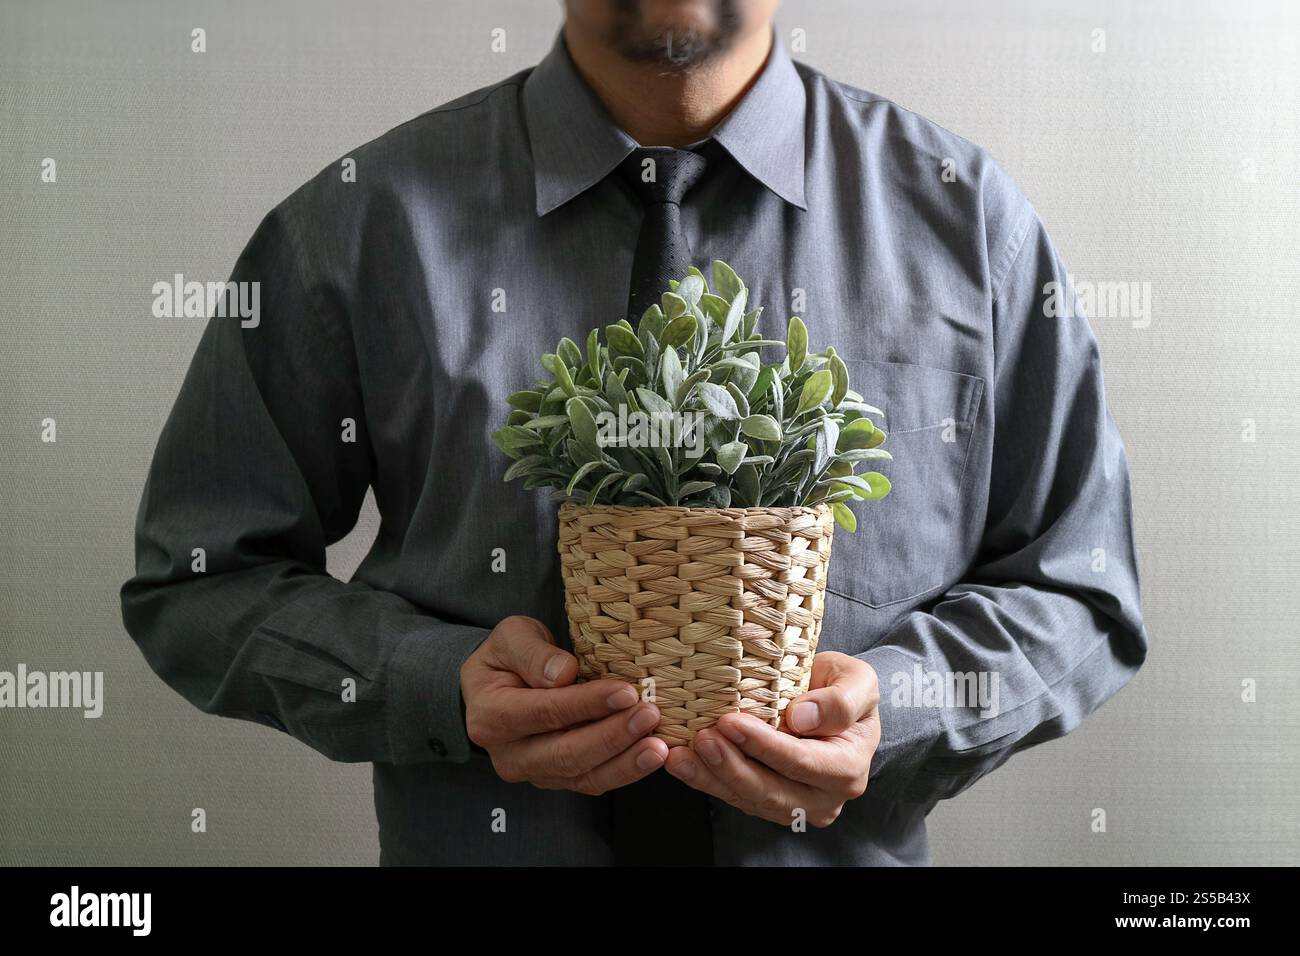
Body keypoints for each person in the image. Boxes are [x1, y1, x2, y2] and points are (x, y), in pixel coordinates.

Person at [121, 0, 1147, 865]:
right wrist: (434, 680)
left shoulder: (969, 229)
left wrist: (904, 706)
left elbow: (1080, 588)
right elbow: (199, 578)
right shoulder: (356, 229)